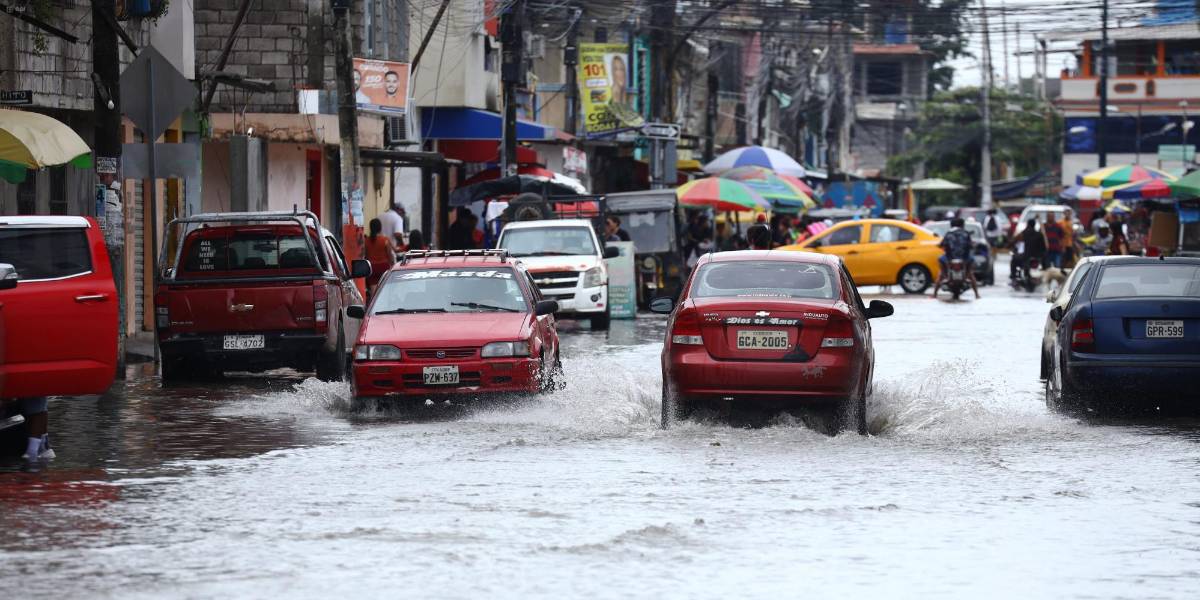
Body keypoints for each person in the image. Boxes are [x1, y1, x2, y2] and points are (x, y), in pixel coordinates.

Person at [932, 217, 980, 299]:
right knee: (971, 273)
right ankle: (977, 295)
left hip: (949, 258)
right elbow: (970, 245)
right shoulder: (966, 233)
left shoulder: (948, 233)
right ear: (962, 225)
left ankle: (935, 294)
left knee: (940, 272)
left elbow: (942, 244)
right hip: (964, 259)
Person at [365, 218, 396, 298]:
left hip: (372, 268)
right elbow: (390, 255)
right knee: (385, 289)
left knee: (373, 292)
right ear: (380, 228)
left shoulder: (366, 241)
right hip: (384, 267)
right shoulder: (385, 240)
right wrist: (392, 265)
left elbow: (365, 255)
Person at [1011, 218, 1047, 282]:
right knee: (1045, 265)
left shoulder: (1024, 233)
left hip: (1026, 256)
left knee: (1014, 261)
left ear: (1027, 225)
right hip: (1037, 257)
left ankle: (1013, 276)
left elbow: (1014, 241)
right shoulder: (1039, 234)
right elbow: (1044, 247)